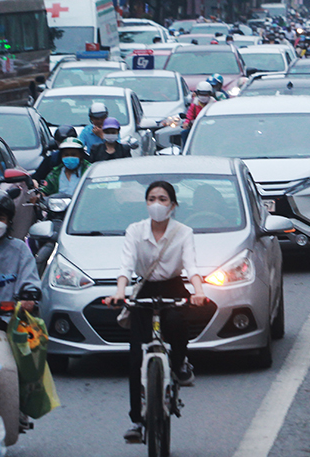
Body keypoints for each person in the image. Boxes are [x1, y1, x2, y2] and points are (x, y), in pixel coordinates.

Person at [104, 180, 208, 445]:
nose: (157, 204)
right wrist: (120, 291)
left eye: (163, 199)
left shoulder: (183, 232)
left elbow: (192, 266)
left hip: (173, 287)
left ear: (173, 205)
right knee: (136, 356)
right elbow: (126, 265)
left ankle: (179, 363)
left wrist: (198, 291)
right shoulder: (135, 231)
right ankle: (136, 422)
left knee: (176, 320)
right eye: (152, 199)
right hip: (145, 290)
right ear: (146, 203)